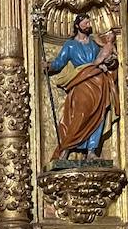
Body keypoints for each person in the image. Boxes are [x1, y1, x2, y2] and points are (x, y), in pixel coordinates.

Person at [49, 13, 119, 162]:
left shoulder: (94, 43)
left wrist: (110, 62)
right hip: (81, 82)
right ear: (77, 25)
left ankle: (91, 151)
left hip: (99, 82)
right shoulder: (70, 45)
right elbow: (60, 62)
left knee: (99, 115)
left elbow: (107, 58)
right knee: (79, 115)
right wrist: (49, 66)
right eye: (85, 23)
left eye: (89, 23)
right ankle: (66, 148)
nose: (88, 26)